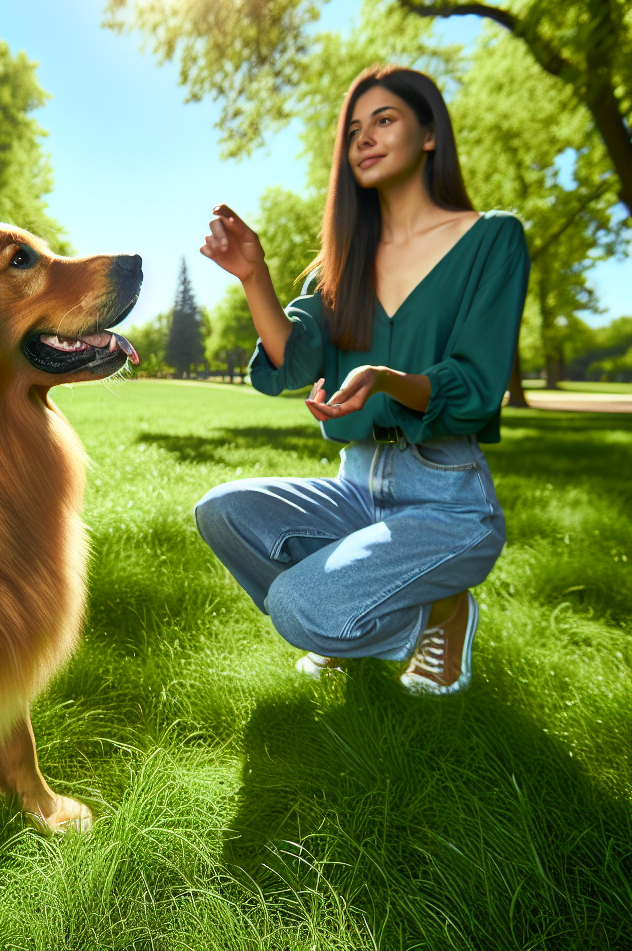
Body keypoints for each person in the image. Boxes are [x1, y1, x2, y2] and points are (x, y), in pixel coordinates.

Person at [194, 64, 530, 695]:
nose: (364, 139)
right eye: (353, 131)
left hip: (447, 496)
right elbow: (292, 364)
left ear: (429, 134)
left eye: (384, 120)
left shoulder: (491, 240)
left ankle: (442, 611)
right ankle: (372, 615)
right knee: (223, 512)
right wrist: (253, 276)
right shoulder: (340, 263)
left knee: (298, 608)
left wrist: (385, 380)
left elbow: (476, 383)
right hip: (355, 485)